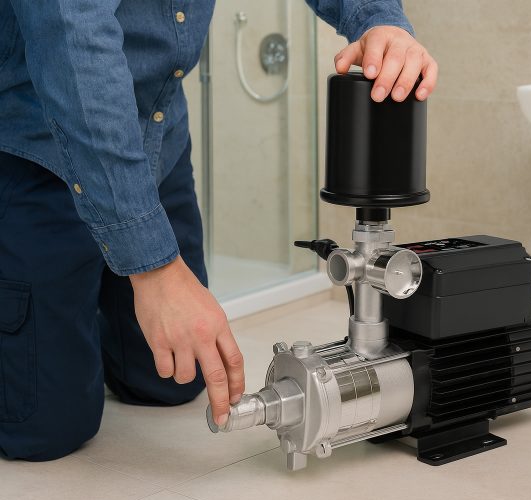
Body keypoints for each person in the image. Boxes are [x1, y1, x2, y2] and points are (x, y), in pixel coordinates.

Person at [0, 0, 438, 461]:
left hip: (153, 135)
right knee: (43, 431)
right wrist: (155, 270)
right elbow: (73, 51)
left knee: (171, 382)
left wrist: (379, 19)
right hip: (41, 146)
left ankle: (79, 294)